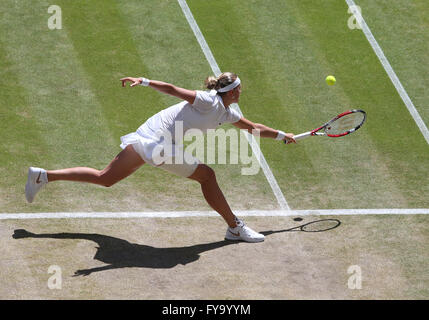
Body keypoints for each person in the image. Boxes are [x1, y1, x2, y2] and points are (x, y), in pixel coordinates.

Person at [25, 72, 296, 243]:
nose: (242, 91)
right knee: (207, 176)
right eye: (240, 88)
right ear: (233, 91)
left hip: (147, 136)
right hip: (157, 144)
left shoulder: (227, 113)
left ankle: (43, 175)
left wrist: (283, 134)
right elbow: (172, 89)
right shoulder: (208, 100)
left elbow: (254, 129)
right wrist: (143, 81)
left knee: (105, 178)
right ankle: (235, 227)